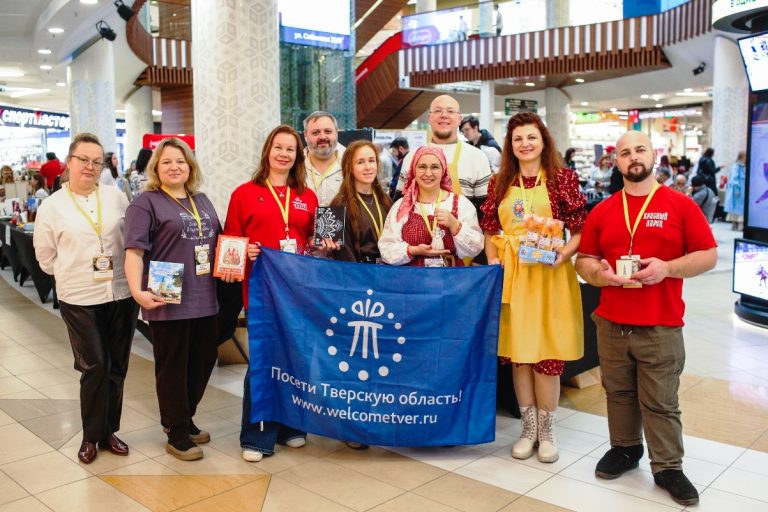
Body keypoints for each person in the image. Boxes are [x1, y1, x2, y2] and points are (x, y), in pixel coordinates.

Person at [574, 130, 717, 507]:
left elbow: (708, 255)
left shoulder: (680, 205)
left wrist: (667, 268)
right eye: (625, 153)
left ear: (653, 155)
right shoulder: (603, 210)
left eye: (640, 150)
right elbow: (584, 260)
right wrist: (600, 274)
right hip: (611, 322)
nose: (633, 157)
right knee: (618, 392)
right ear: (616, 162)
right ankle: (625, 448)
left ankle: (668, 466)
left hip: (660, 323)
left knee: (661, 401)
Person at [481, 112, 586, 464]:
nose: (525, 144)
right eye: (518, 139)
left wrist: (563, 255)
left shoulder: (562, 179)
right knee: (521, 355)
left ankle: (548, 431)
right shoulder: (499, 182)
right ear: (510, 146)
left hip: (550, 276)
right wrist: (493, 259)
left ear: (543, 141)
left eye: (531, 137)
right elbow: (489, 228)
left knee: (548, 356)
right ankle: (528, 430)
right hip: (514, 277)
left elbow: (580, 230)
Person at [33, 133, 138, 465]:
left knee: (117, 366)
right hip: (79, 297)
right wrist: (71, 272)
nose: (90, 167)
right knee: (95, 366)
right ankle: (91, 436)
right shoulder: (52, 206)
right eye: (83, 160)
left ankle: (109, 431)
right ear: (69, 161)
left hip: (120, 293)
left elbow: (131, 239)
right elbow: (44, 256)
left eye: (97, 161)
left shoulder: (116, 197)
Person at [223, 125, 318, 463]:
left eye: (290, 149)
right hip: (261, 291)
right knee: (264, 360)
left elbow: (314, 241)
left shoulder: (307, 196)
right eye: (278, 147)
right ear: (267, 151)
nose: (283, 154)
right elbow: (230, 245)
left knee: (295, 358)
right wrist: (245, 250)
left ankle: (291, 426)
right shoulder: (244, 194)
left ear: (298, 156)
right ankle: (257, 435)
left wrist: (321, 245)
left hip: (298, 292)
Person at [124, 138, 221, 461]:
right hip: (168, 295)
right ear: (156, 168)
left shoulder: (201, 200)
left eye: (180, 161)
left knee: (202, 361)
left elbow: (220, 241)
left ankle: (186, 416)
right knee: (173, 367)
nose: (174, 167)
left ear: (190, 166)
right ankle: (176, 430)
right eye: (166, 162)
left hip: (205, 295)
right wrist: (137, 291)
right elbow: (134, 252)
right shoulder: (146, 203)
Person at [379, 146, 483, 267]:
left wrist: (454, 225)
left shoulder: (460, 204)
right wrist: (413, 250)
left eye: (435, 167)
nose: (428, 173)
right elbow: (386, 249)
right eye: (422, 167)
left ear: (443, 170)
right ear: (414, 170)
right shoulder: (402, 207)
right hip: (410, 277)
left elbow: (476, 248)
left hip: (451, 277)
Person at [396, 95, 492, 219]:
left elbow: (486, 211)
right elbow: (400, 204)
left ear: (459, 119)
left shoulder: (477, 157)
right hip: (417, 230)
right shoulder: (411, 157)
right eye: (438, 110)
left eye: (450, 111)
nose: (444, 115)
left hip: (465, 230)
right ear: (429, 118)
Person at [330, 140, 393, 265]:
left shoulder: (386, 200)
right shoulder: (337, 206)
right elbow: (343, 255)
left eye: (371, 160)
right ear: (349, 167)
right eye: (360, 162)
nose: (368, 167)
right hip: (357, 273)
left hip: (387, 271)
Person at [304, 111, 345, 207]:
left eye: (328, 131)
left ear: (337, 133)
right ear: (305, 135)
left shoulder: (351, 163)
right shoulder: (294, 165)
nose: (322, 137)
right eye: (315, 132)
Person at [724, 151, 746, 231]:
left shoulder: (742, 166)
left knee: (738, 207)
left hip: (741, 189)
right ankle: (738, 225)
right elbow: (734, 178)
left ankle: (736, 224)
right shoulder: (737, 166)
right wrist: (737, 189)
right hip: (738, 190)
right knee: (739, 208)